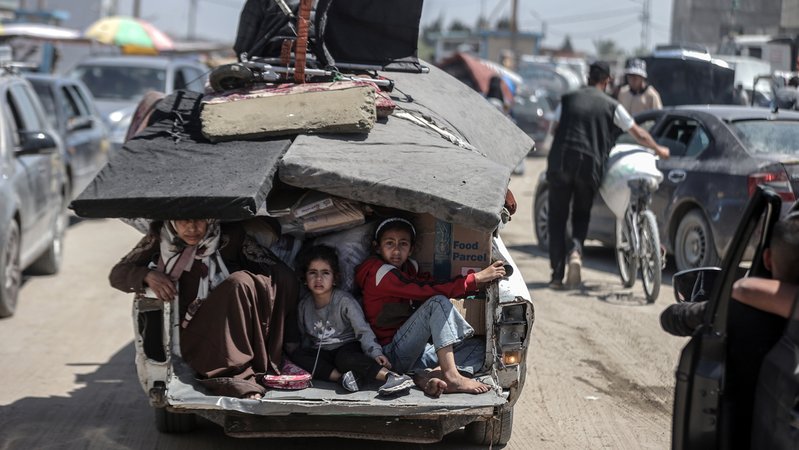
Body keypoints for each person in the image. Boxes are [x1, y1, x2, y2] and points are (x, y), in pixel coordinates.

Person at [109, 219, 299, 399]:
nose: (192, 228)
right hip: (187, 334)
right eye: (184, 220)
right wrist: (147, 275)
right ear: (173, 221)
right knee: (240, 282)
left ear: (210, 220)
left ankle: (262, 360)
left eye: (199, 220)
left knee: (243, 281)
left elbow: (278, 273)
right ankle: (237, 377)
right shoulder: (160, 237)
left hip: (229, 326)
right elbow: (118, 274)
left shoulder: (229, 237)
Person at [546, 61, 670, 290]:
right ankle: (575, 253)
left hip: (561, 162)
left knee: (557, 217)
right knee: (581, 214)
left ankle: (556, 276)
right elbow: (638, 132)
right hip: (589, 165)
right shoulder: (612, 105)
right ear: (607, 81)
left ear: (588, 77)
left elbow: (553, 128)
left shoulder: (568, 99)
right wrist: (659, 149)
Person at [355, 217, 506, 397]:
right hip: (391, 354)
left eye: (403, 244)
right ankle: (452, 376)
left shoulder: (408, 269)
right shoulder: (379, 273)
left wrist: (469, 287)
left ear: (411, 249)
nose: (396, 250)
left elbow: (431, 282)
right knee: (437, 302)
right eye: (389, 243)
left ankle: (428, 375)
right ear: (377, 247)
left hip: (415, 352)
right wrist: (475, 279)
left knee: (479, 347)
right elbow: (426, 290)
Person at [289, 244, 414, 396]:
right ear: (305, 278)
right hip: (323, 354)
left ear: (335, 278)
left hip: (347, 348)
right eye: (313, 273)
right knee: (298, 355)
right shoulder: (304, 306)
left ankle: (390, 377)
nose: (319, 279)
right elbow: (305, 338)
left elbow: (363, 330)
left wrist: (375, 353)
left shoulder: (344, 301)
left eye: (325, 273)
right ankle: (343, 378)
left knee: (344, 359)